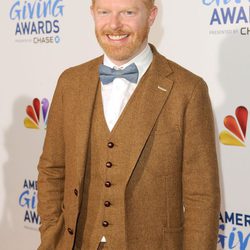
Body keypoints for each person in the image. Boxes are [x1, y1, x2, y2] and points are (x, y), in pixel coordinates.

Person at [37, 0, 221, 249]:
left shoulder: (188, 90)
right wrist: (51, 231)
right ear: (92, 14)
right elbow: (52, 169)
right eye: (104, 12)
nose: (114, 24)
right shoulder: (70, 82)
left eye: (128, 12)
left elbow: (202, 197)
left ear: (151, 16)